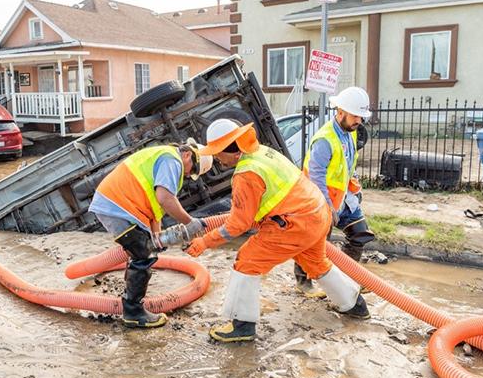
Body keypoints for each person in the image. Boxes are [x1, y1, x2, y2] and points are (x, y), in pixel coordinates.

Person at [185, 119, 370, 343]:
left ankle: (242, 326)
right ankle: (355, 305)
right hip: (317, 213)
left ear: (230, 150)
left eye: (217, 152)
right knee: (316, 262)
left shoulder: (246, 174)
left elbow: (237, 225)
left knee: (247, 260)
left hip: (295, 223)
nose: (215, 158)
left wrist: (204, 242)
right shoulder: (263, 153)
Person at [89, 139, 213, 328]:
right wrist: (190, 223)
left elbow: (155, 211)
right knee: (143, 255)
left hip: (118, 205)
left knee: (144, 250)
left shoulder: (164, 157)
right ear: (188, 154)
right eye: (193, 169)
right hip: (117, 206)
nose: (189, 174)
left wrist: (157, 238)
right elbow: (164, 198)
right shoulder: (172, 161)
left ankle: (130, 297)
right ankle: (133, 312)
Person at [294, 87, 376, 298]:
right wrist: (326, 206)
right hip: (318, 201)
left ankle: (343, 279)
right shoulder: (324, 139)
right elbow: (316, 175)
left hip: (342, 200)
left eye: (361, 116)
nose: (359, 120)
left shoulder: (350, 133)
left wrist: (354, 190)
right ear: (340, 112)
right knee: (314, 243)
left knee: (360, 234)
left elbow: (347, 166)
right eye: (355, 116)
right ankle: (303, 283)